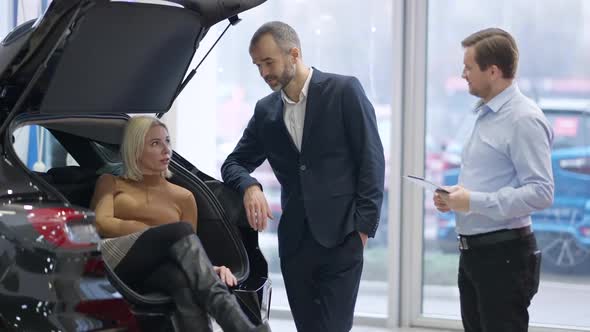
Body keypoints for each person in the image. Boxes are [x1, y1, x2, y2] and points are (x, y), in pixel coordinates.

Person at [221, 21, 385, 332]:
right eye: (257, 65)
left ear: (294, 53)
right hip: (295, 243)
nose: (263, 72)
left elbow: (371, 161)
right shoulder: (265, 111)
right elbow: (234, 163)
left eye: (268, 62)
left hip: (342, 236)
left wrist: (362, 230)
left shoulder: (344, 91)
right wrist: (250, 186)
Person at [91, 116, 270, 332]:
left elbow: (186, 252)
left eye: (167, 141)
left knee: (180, 281)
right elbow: (101, 223)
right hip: (114, 262)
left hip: (154, 272)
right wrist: (159, 236)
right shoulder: (111, 182)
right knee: (179, 231)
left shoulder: (184, 196)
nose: (166, 150)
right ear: (135, 149)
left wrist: (211, 269)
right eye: (155, 143)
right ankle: (242, 328)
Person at [433, 28, 554, 332]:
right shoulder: (487, 115)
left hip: (504, 258)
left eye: (468, 67)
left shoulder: (523, 119)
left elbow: (541, 192)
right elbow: (490, 179)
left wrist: (472, 201)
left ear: (493, 71)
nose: (463, 74)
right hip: (475, 255)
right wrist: (457, 198)